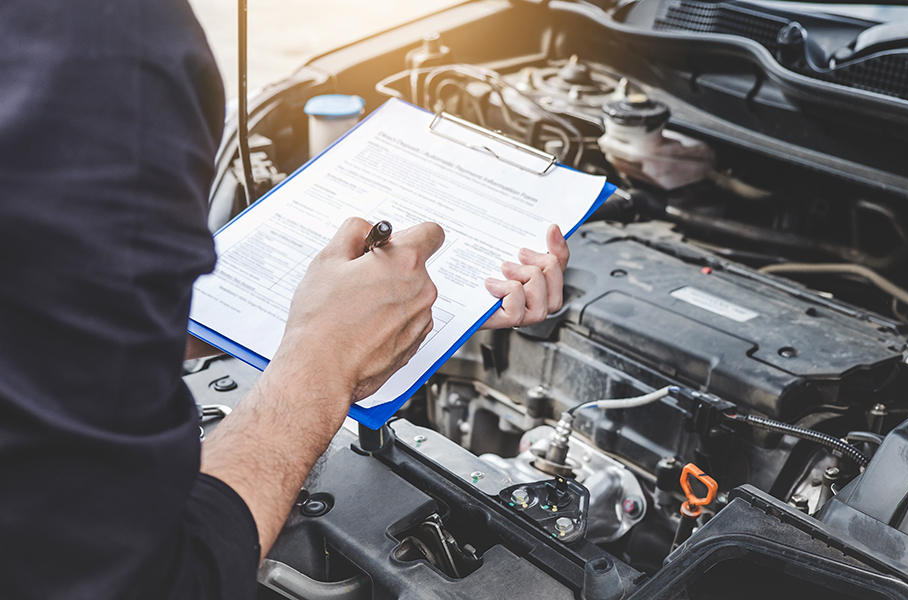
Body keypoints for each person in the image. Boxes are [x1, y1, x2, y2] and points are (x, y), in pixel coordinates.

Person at [0, 1, 569, 598]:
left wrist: (398, 310)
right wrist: (323, 355)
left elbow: (44, 328)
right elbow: (128, 580)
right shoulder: (98, 43)